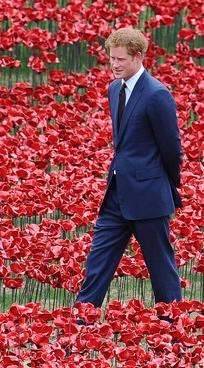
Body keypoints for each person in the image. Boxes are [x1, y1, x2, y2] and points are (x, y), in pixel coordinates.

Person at [74, 28, 183, 316]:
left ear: (137, 57)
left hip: (148, 197)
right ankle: (79, 329)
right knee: (96, 265)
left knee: (162, 270)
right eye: (111, 58)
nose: (114, 64)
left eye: (120, 59)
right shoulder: (114, 89)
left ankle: (175, 334)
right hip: (116, 196)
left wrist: (166, 183)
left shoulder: (157, 94)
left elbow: (172, 148)